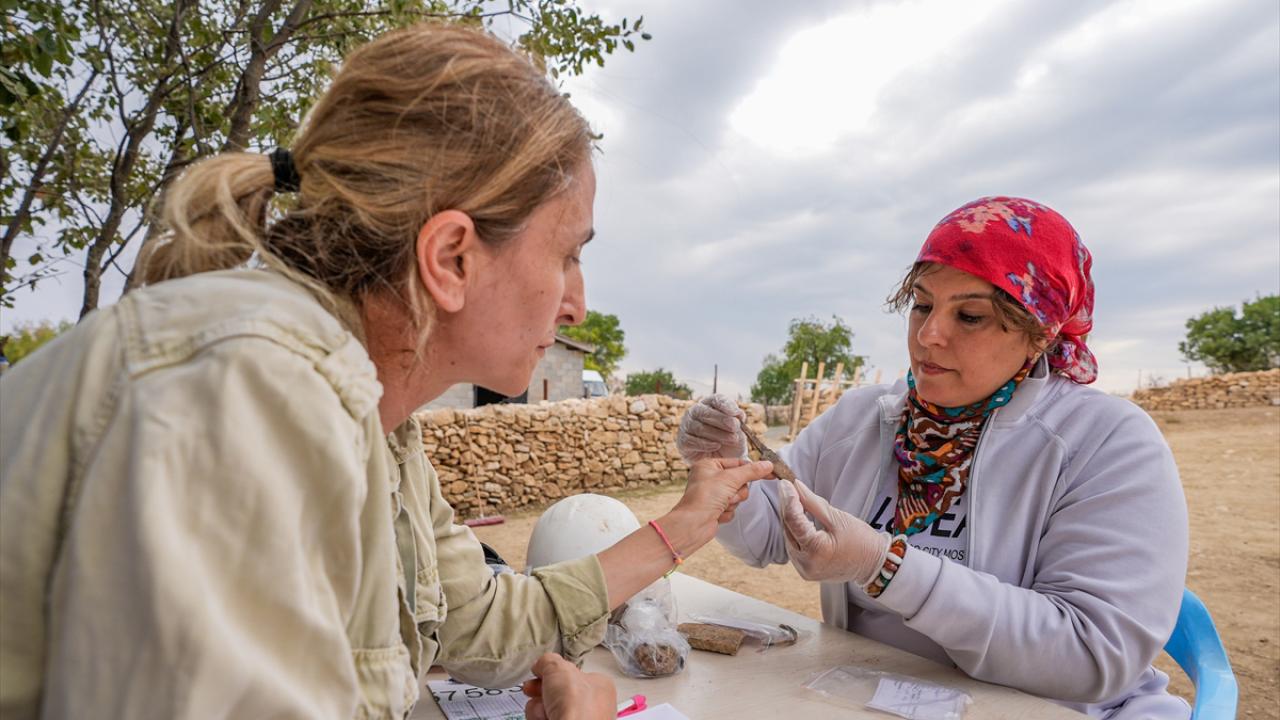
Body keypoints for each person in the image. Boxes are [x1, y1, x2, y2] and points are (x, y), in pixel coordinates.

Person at [0, 23, 771, 719]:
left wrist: (683, 525)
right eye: (567, 254)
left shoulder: (376, 418)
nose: (577, 305)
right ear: (451, 258)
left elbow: (478, 623)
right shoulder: (251, 393)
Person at [677, 197, 1190, 719]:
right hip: (876, 700)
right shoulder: (862, 420)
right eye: (922, 305)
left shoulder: (1104, 442)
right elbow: (767, 533)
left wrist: (885, 566)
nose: (928, 336)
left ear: (1041, 332)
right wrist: (728, 469)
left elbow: (1092, 655)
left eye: (970, 316)